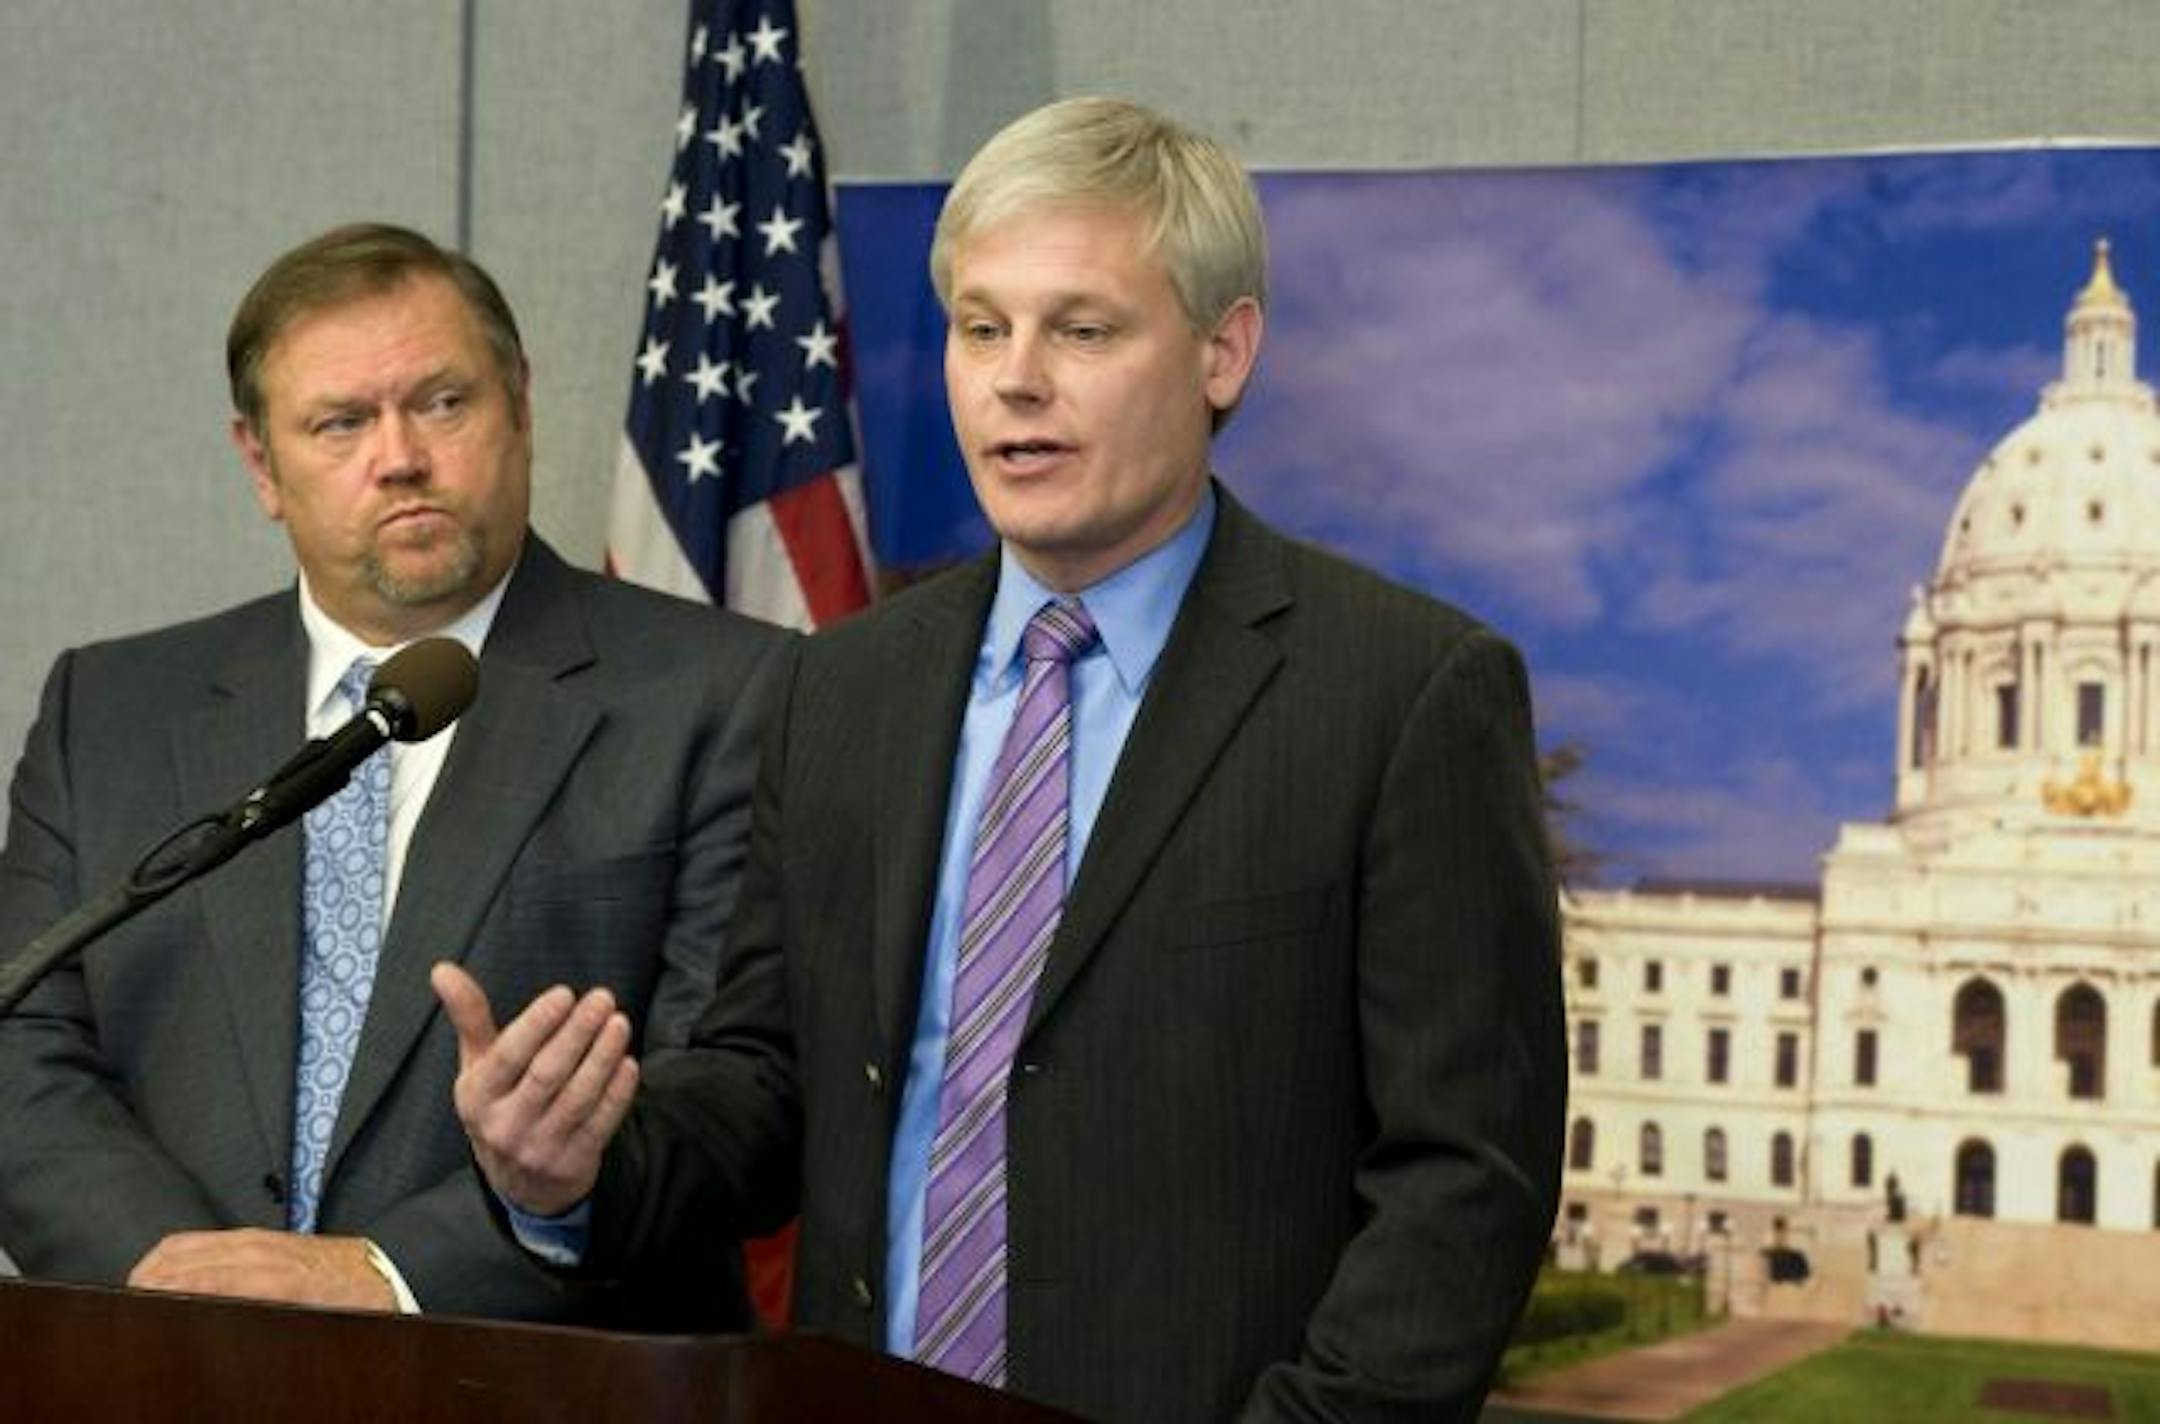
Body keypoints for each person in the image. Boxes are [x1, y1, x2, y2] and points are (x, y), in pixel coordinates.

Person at [439, 97, 1564, 1418]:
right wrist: (579, 1168)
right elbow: (770, 1079)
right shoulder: (841, 686)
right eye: (983, 327)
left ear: (1224, 351)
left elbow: (1465, 1180)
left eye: (1081, 330)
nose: (1015, 378)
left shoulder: (1406, 694)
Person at [0, 223, 784, 1325]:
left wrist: (391, 1268)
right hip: (167, 1370)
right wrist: (177, 1276)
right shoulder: (110, 711)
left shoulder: (728, 693)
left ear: (520, 402)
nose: (400, 455)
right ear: (262, 465)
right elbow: (22, 1040)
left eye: (443, 402)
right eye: (340, 422)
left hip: (542, 1381)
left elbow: (736, 1083)